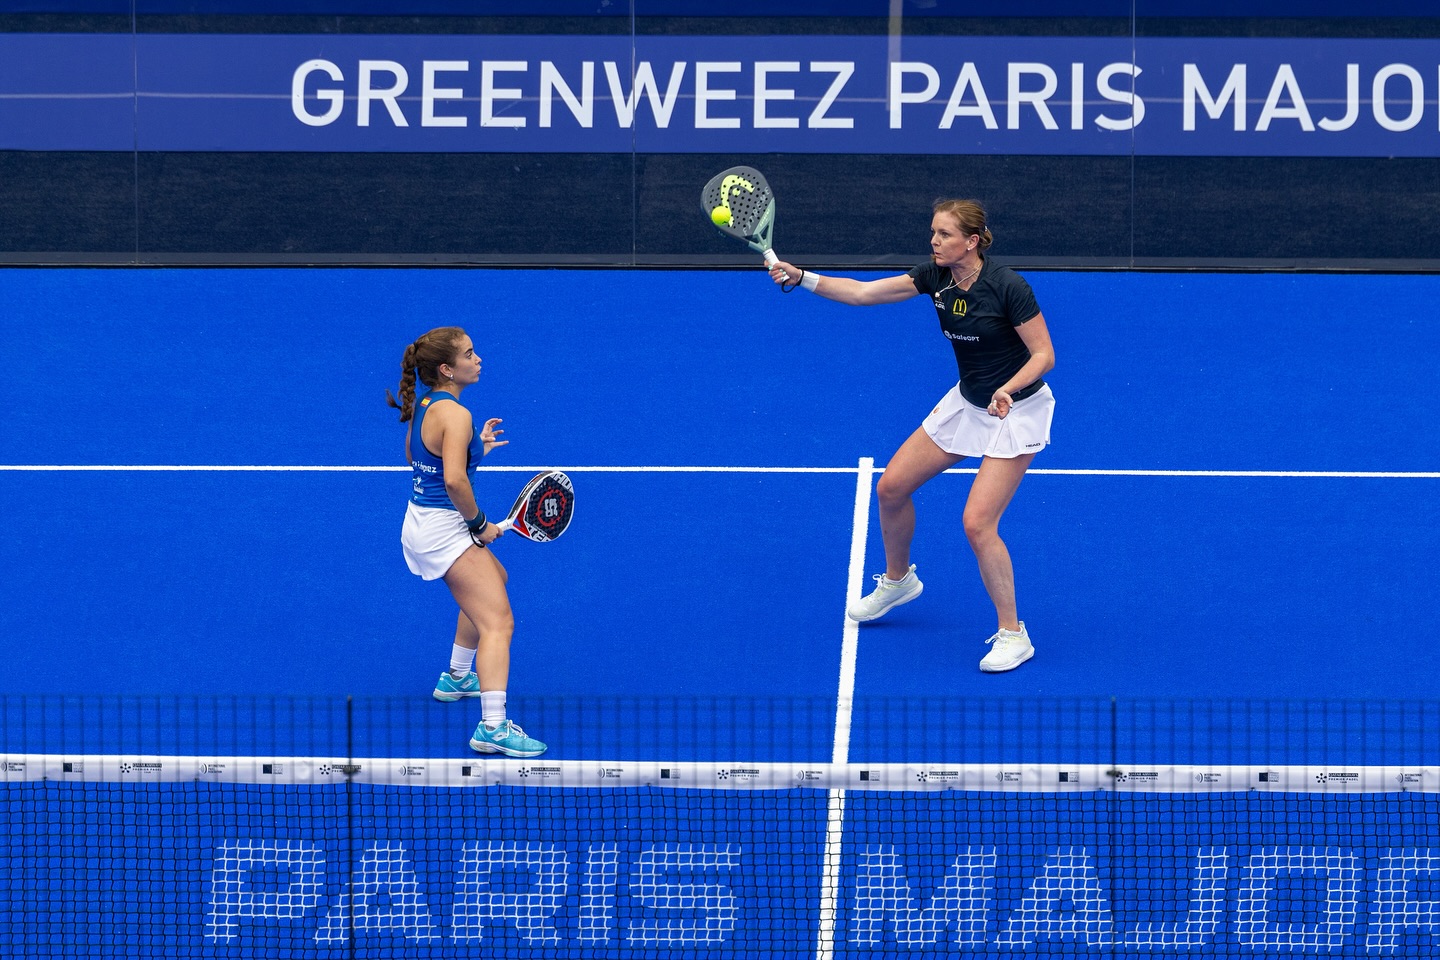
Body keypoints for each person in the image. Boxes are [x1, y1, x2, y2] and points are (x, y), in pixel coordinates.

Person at [768, 199, 1055, 673]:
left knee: (978, 524)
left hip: (1015, 410)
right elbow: (864, 294)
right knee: (891, 487)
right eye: (933, 233)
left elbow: (1043, 354)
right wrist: (802, 278)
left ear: (973, 240)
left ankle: (1013, 634)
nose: (934, 241)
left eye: (944, 234)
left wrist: (1008, 387)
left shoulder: (1008, 286)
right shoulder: (935, 277)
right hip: (969, 402)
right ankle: (899, 581)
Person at [386, 326, 546, 756]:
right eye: (470, 354)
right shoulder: (457, 416)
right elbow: (455, 480)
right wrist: (480, 525)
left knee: (496, 575)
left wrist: (475, 447)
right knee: (499, 623)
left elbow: (417, 455)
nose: (478, 359)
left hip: (421, 519)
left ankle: (458, 677)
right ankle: (492, 727)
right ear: (447, 368)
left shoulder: (428, 402)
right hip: (446, 528)